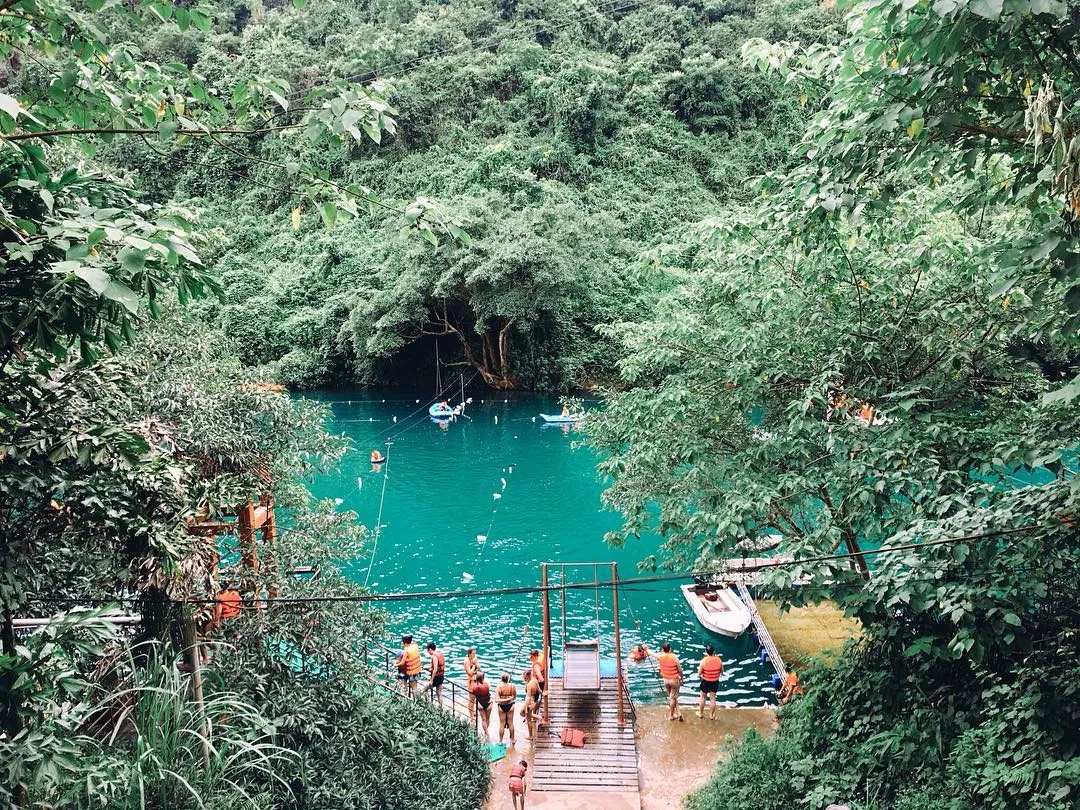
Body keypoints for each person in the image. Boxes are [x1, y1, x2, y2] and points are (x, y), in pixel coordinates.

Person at [648, 642, 684, 721]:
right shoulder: (674, 657)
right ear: (670, 649)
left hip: (666, 680)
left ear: (663, 649)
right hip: (674, 680)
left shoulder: (660, 655)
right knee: (673, 698)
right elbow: (680, 670)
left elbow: (651, 653)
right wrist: (682, 678)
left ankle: (678, 712)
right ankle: (671, 715)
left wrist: (646, 648)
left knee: (672, 697)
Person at [697, 644, 723, 719]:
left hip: (705, 681)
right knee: (712, 698)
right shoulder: (719, 660)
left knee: (702, 697)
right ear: (713, 651)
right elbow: (722, 671)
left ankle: (700, 713)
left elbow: (699, 673)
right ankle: (711, 715)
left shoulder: (703, 661)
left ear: (706, 652)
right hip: (715, 682)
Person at [495, 672, 517, 745]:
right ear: (508, 679)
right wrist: (508, 699)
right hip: (510, 705)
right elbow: (514, 697)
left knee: (502, 724)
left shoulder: (498, 687)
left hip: (501, 706)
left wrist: (504, 700)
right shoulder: (512, 686)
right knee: (511, 723)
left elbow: (497, 700)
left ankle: (500, 741)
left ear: (501, 679)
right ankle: (513, 740)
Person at [422, 641, 445, 707]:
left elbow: (435, 670)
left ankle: (427, 705)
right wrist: (426, 668)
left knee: (424, 689)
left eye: (427, 650)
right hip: (441, 677)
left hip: (436, 678)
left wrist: (431, 680)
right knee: (439, 692)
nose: (428, 652)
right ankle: (440, 708)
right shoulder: (440, 654)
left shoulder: (434, 657)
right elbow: (438, 666)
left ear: (430, 649)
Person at [471, 671, 492, 740]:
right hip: (488, 703)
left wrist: (475, 681)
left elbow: (473, 692)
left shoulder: (475, 687)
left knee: (483, 719)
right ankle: (486, 732)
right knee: (487, 718)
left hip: (480, 704)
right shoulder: (486, 685)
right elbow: (488, 688)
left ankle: (486, 732)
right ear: (483, 678)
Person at [463, 647, 480, 721]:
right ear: (469, 654)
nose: (474, 654)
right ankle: (471, 716)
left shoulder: (475, 658)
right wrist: (473, 665)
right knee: (471, 699)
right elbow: (470, 673)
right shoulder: (466, 661)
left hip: (476, 680)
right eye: (473, 653)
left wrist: (476, 663)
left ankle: (473, 712)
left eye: (475, 653)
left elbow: (479, 668)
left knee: (475, 698)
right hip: (471, 681)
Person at [522, 669, 539, 740]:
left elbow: (528, 698)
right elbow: (539, 690)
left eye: (525, 678)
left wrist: (526, 709)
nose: (524, 679)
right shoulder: (535, 680)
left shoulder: (529, 685)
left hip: (530, 702)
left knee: (528, 719)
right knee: (522, 713)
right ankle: (537, 717)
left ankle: (531, 736)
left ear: (529, 676)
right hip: (534, 700)